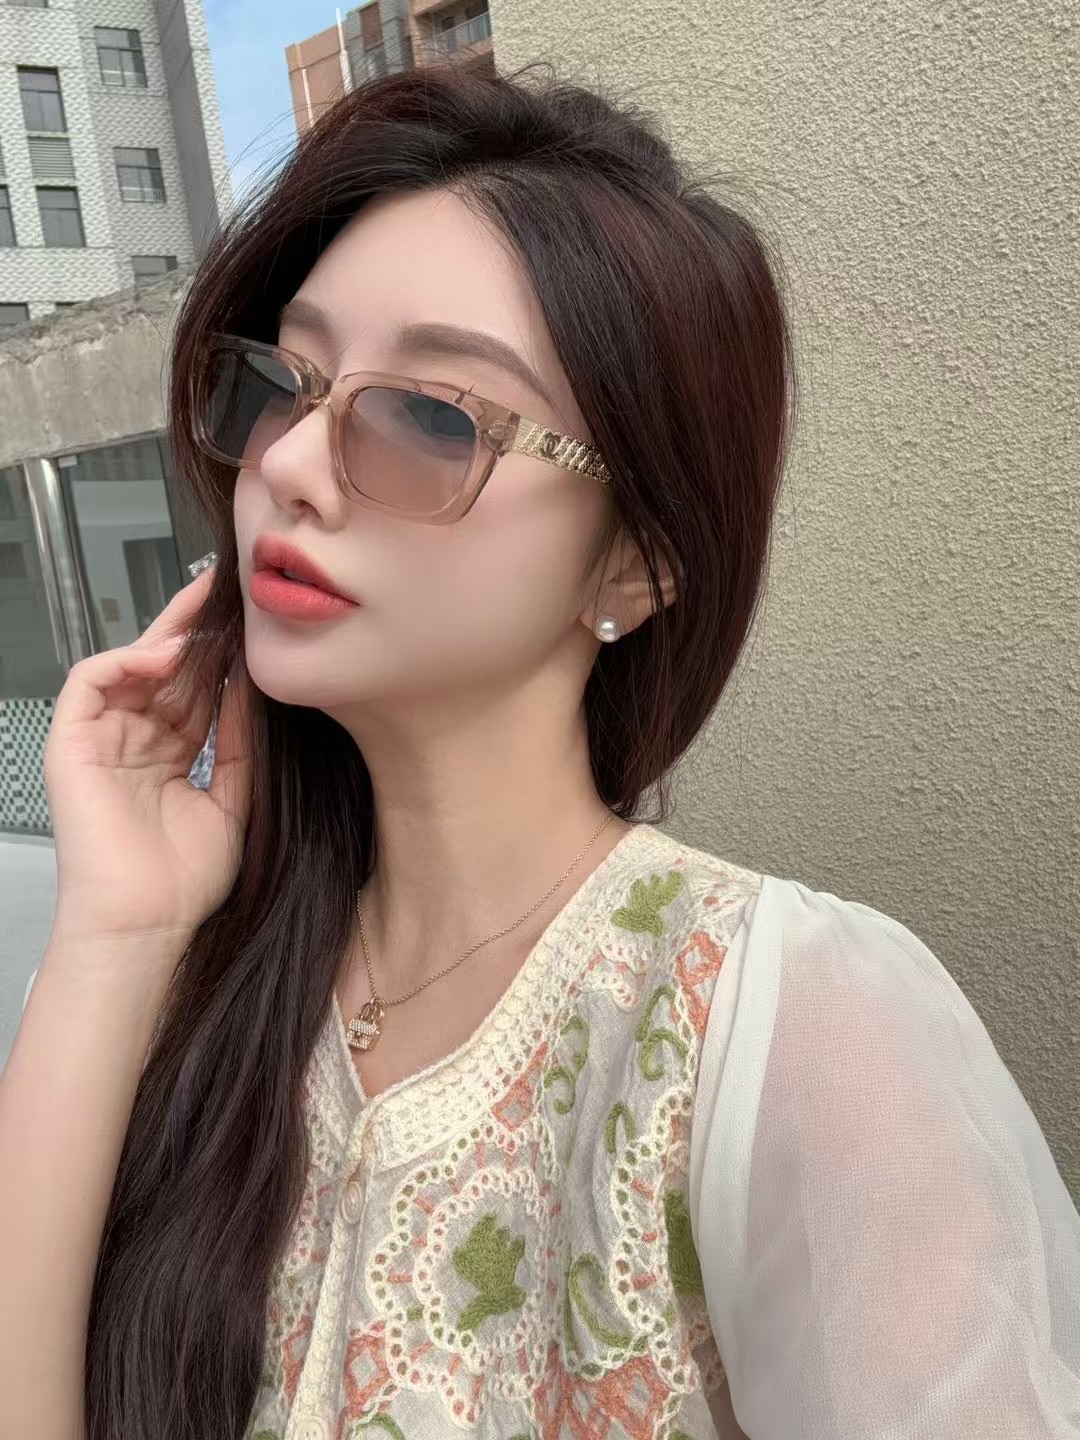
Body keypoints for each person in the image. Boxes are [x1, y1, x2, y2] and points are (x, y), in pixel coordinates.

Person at [0, 63, 1076, 1440]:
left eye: (431, 416)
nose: (293, 467)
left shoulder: (789, 1026)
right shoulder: (208, 980)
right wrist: (117, 931)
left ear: (637, 560)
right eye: (290, 381)